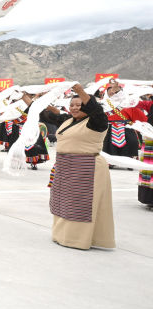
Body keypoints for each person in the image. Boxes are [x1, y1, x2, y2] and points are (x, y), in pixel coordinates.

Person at [40, 83, 113, 250]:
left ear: (87, 105)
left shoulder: (97, 122)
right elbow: (46, 114)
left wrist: (79, 90)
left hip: (87, 167)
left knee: (80, 205)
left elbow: (96, 110)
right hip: (65, 166)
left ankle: (77, 239)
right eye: (71, 105)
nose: (74, 108)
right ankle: (61, 235)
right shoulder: (68, 120)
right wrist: (29, 97)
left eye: (78, 105)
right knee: (63, 202)